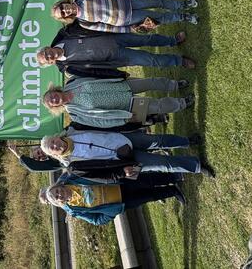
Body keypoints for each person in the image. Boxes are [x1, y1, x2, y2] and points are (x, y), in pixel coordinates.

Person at [40, 129, 212, 176]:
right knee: (162, 164)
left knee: (159, 140)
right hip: (123, 162)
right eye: (52, 148)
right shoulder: (72, 165)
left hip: (122, 138)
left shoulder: (73, 130)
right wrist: (121, 172)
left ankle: (187, 141)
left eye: (53, 142)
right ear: (54, 154)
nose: (55, 146)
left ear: (56, 137)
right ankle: (196, 166)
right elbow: (100, 174)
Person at [43, 76, 193, 129]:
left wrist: (117, 75)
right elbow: (99, 122)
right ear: (55, 107)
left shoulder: (73, 81)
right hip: (125, 107)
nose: (55, 99)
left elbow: (96, 75)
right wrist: (122, 119)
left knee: (151, 82)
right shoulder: (75, 114)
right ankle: (182, 103)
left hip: (121, 86)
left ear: (54, 90)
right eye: (52, 102)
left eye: (52, 96)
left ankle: (175, 85)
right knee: (157, 106)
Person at [41, 172, 186, 224]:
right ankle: (172, 191)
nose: (59, 194)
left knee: (147, 180)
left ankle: (174, 176)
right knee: (148, 196)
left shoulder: (72, 178)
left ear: (58, 186)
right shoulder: (73, 210)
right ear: (58, 202)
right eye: (57, 197)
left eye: (57, 191)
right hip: (120, 202)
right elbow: (96, 220)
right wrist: (110, 213)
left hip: (119, 183)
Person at [37, 30, 196, 73]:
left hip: (115, 37)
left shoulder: (65, 34)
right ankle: (179, 61)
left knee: (146, 39)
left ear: (47, 47)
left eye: (46, 53)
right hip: (117, 57)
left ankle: (172, 40)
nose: (50, 56)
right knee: (150, 60)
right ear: (51, 63)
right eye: (48, 59)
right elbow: (93, 72)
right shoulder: (68, 67)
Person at [52, 0, 199, 31]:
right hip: (126, 19)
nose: (66, 10)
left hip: (128, 0)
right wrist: (129, 28)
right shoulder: (83, 22)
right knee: (156, 17)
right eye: (63, 14)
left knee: (157, 2)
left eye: (62, 8)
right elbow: (107, 28)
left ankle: (184, 4)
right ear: (66, 17)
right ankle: (184, 17)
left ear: (63, 2)